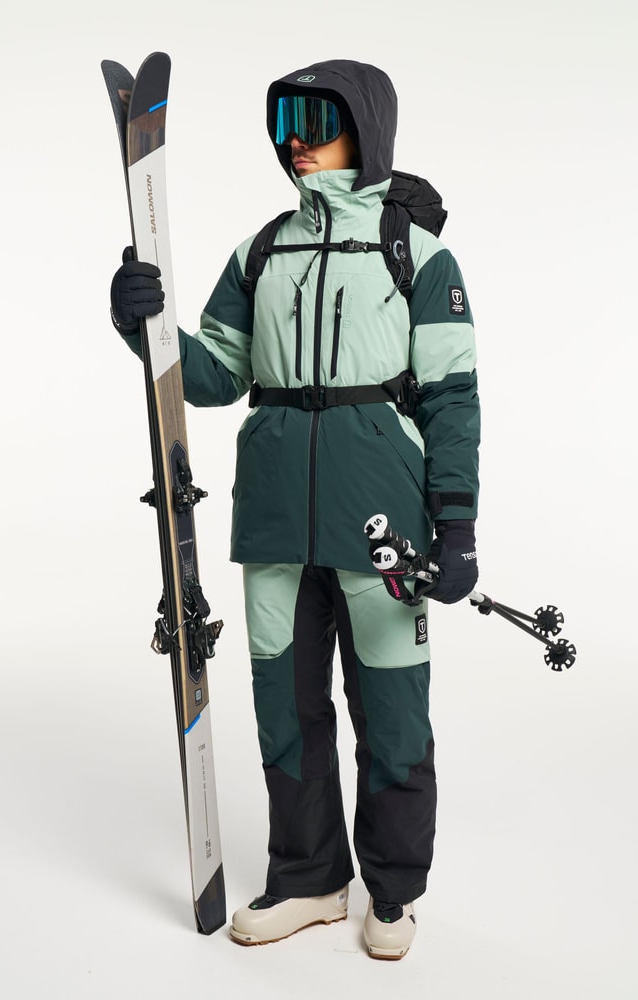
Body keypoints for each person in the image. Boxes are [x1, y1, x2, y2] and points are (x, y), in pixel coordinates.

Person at [110, 59, 480, 960]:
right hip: (273, 519)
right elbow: (212, 375)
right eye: (286, 123)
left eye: (319, 121)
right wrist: (144, 327)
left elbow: (451, 397)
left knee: (391, 714)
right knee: (286, 709)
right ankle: (310, 879)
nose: (298, 141)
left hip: (380, 524)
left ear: (367, 129)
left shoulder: (416, 254)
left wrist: (457, 525)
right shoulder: (260, 252)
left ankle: (391, 893)